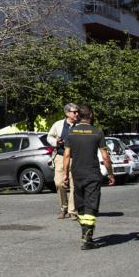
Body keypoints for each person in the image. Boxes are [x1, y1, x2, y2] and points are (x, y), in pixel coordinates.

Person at [61, 104, 114, 249]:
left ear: (79, 115)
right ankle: (87, 238)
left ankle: (85, 232)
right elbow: (105, 156)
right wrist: (110, 173)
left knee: (81, 205)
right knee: (91, 205)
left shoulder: (71, 133)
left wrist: (65, 174)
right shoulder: (97, 133)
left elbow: (66, 155)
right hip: (92, 173)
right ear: (90, 115)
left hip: (76, 173)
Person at [47, 103, 80, 220]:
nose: (77, 114)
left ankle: (72, 211)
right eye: (74, 112)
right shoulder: (58, 124)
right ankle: (63, 207)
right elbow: (49, 137)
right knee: (59, 183)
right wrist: (56, 141)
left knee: (74, 185)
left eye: (77, 112)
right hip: (60, 157)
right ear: (67, 113)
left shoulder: (80, 125)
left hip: (75, 158)